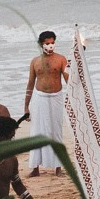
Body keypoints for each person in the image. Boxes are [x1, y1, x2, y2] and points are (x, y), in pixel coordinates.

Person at [21, 31, 69, 176]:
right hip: (39, 97)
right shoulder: (35, 61)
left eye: (53, 42)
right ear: (41, 44)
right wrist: (26, 107)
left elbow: (69, 80)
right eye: (47, 43)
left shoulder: (61, 59)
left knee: (56, 131)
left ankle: (58, 167)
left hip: (56, 97)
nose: (50, 46)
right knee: (37, 131)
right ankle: (35, 168)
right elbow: (30, 84)